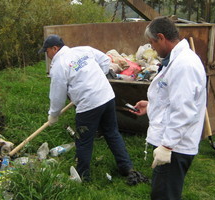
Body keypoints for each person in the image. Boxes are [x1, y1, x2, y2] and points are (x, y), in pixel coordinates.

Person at [38, 35, 146, 183]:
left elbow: (57, 95)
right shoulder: (83, 50)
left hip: (88, 105)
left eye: (47, 51)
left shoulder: (59, 65)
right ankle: (126, 168)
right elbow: (105, 60)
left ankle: (82, 176)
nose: (47, 55)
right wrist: (96, 79)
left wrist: (53, 114)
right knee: (112, 133)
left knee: (83, 140)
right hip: (107, 96)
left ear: (54, 48)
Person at [129, 17, 207, 199]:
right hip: (172, 143)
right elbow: (173, 98)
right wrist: (151, 106)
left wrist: (166, 146)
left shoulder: (184, 65)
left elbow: (184, 111)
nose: (153, 48)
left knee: (164, 195)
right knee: (162, 192)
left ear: (161, 37)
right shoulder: (175, 60)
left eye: (152, 43)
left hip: (175, 148)